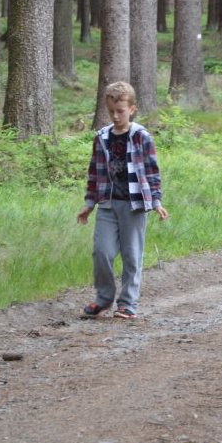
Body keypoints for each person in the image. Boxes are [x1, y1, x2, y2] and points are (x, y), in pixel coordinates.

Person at [77, 82, 169, 320]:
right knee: (102, 252)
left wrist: (156, 202)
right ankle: (103, 298)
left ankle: (127, 303)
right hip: (107, 204)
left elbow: (152, 172)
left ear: (132, 109)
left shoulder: (141, 137)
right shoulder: (102, 138)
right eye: (111, 111)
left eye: (121, 111)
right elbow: (94, 173)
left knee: (132, 255)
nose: (116, 116)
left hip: (134, 205)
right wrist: (89, 204)